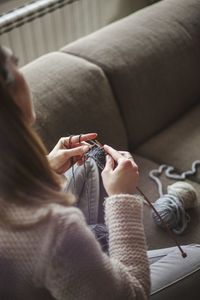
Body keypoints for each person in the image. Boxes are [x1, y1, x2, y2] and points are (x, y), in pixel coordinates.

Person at [0, 45, 150, 300]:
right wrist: (122, 199)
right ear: (10, 89)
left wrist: (45, 169)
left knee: (89, 165)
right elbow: (134, 294)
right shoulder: (55, 229)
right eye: (15, 62)